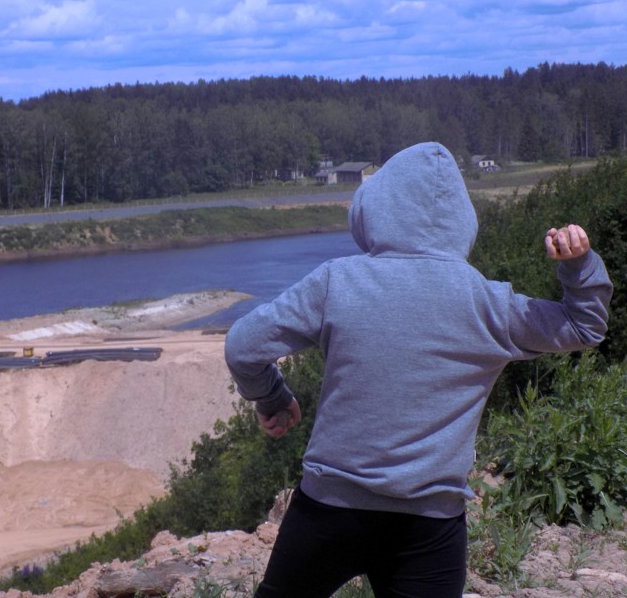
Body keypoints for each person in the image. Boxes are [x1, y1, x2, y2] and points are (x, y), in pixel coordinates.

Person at [224, 142, 612, 598]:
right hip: (429, 526)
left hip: (328, 511)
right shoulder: (487, 302)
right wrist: (578, 267)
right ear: (462, 221)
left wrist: (272, 396)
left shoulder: (337, 281)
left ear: (374, 210)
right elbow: (583, 327)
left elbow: (243, 346)